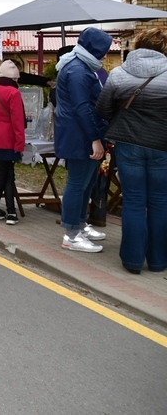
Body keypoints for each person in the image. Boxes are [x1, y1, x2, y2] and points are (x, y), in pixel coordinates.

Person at [96, 28, 167, 273]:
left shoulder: (119, 73)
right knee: (159, 202)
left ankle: (133, 261)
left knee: (135, 202)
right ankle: (158, 262)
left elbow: (103, 110)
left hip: (128, 144)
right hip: (162, 146)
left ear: (138, 45)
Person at [54, 27, 113, 254]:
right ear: (94, 48)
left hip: (79, 134)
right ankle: (71, 234)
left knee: (85, 184)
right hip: (80, 135)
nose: (106, 55)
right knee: (77, 184)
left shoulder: (79, 65)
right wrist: (95, 138)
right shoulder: (79, 71)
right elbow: (82, 108)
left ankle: (79, 225)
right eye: (104, 50)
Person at [0, 60, 26, 225]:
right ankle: (3, 211)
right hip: (9, 138)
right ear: (14, 78)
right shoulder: (14, 93)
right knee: (6, 174)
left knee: (4, 173)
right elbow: (17, 122)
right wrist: (20, 144)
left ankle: (6, 210)